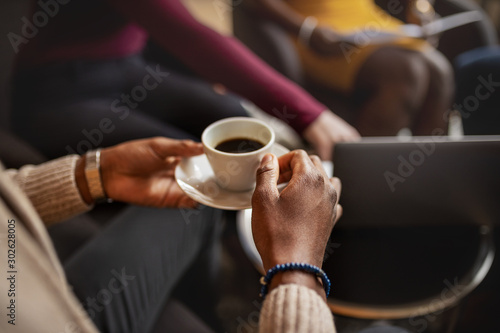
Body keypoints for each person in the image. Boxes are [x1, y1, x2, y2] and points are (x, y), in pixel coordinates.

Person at [0, 136, 340, 332]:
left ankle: (209, 312)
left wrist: (92, 175)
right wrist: (298, 269)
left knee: (196, 202)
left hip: (35, 289)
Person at [11, 0, 359, 162]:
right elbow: (189, 35)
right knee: (194, 163)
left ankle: (243, 249)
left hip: (129, 68)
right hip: (59, 92)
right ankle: (210, 292)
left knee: (236, 119)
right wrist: (310, 113)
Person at [250, 0, 454, 136]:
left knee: (440, 71)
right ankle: (366, 181)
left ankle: (425, 180)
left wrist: (421, 8)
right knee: (406, 73)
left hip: (367, 19)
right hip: (315, 28)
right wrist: (306, 30)